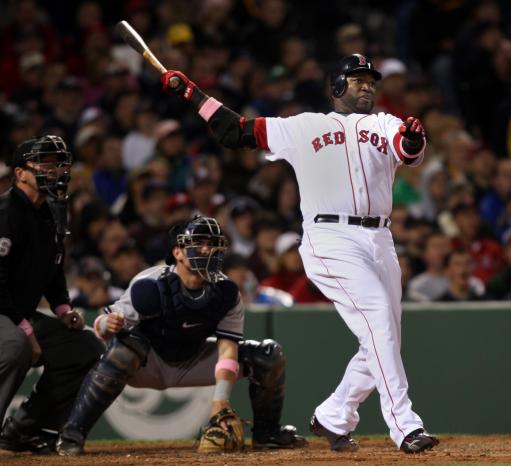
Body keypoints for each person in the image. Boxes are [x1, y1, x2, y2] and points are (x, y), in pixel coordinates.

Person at [160, 53, 439, 453]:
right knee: (379, 319)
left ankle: (334, 414)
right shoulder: (305, 126)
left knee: (385, 336)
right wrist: (191, 92)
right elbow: (235, 131)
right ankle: (405, 425)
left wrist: (411, 139)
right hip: (330, 236)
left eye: (371, 80)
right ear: (337, 85)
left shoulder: (385, 123)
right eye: (357, 79)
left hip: (381, 238)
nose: (367, 85)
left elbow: (407, 149)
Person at [56, 215, 306, 456]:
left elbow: (227, 349)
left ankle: (267, 433)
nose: (207, 250)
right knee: (122, 351)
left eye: (213, 244)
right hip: (148, 362)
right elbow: (101, 325)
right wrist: (107, 325)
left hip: (194, 360)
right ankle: (72, 434)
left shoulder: (226, 292)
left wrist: (220, 402)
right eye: (199, 243)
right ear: (178, 252)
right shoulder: (151, 283)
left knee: (267, 355)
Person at [0, 135, 103, 453]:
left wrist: (63, 309)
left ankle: (23, 429)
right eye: (44, 163)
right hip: (4, 312)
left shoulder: (51, 212)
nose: (55, 170)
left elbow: (53, 269)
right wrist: (27, 330)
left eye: (59, 163)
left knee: (84, 347)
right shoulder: (5, 212)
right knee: (16, 345)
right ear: (20, 173)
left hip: (17, 315)